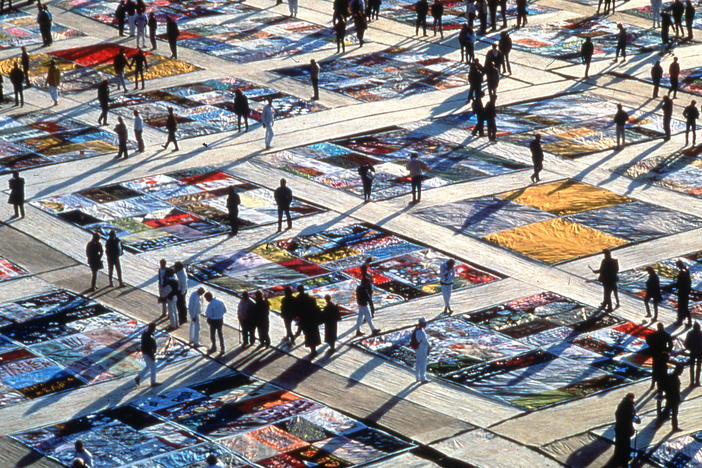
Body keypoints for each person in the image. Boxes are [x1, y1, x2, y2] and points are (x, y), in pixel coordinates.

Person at [613, 393, 639, 468]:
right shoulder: (629, 406)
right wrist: (635, 418)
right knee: (625, 445)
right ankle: (624, 461)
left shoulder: (621, 404)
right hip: (625, 429)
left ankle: (617, 459)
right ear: (631, 398)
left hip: (619, 428)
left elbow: (617, 414)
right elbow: (630, 416)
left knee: (619, 444)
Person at [647, 323, 673, 390]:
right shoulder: (666, 334)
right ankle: (663, 384)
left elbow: (648, 340)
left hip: (656, 354)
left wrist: (652, 347)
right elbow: (671, 344)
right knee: (663, 369)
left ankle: (653, 384)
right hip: (663, 354)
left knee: (655, 369)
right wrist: (667, 351)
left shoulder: (654, 334)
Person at [297, 285, 322, 356]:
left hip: (305, 320)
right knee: (313, 334)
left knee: (308, 335)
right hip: (312, 320)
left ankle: (313, 350)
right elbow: (316, 309)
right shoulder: (310, 298)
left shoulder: (299, 299)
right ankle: (314, 349)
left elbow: (298, 311)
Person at [135, 322, 159, 386]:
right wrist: (152, 356)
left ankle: (138, 377)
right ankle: (153, 382)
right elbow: (149, 348)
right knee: (153, 367)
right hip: (148, 353)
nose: (154, 329)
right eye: (154, 328)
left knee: (148, 366)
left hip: (145, 352)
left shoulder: (145, 334)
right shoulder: (149, 336)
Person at [663, 363, 684, 431]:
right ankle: (674, 427)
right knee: (673, 413)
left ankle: (674, 426)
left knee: (668, 411)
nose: (681, 372)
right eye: (681, 371)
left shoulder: (671, 376)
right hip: (673, 398)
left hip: (670, 397)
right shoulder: (674, 378)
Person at [676, 259, 692, 326]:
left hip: (682, 292)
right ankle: (683, 319)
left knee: (682, 307)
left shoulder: (682, 271)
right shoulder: (686, 269)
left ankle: (681, 320)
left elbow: (680, 282)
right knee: (684, 306)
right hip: (685, 291)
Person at [413, 317, 429, 383]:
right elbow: (425, 341)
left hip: (418, 348)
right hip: (422, 348)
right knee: (423, 363)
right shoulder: (420, 331)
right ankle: (423, 378)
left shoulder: (417, 330)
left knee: (418, 362)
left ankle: (417, 377)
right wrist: (429, 346)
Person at [174, 261, 188, 325]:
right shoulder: (179, 272)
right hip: (180, 290)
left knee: (181, 305)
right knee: (179, 304)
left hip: (182, 291)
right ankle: (181, 317)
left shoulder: (182, 275)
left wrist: (181, 294)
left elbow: (184, 285)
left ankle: (183, 318)